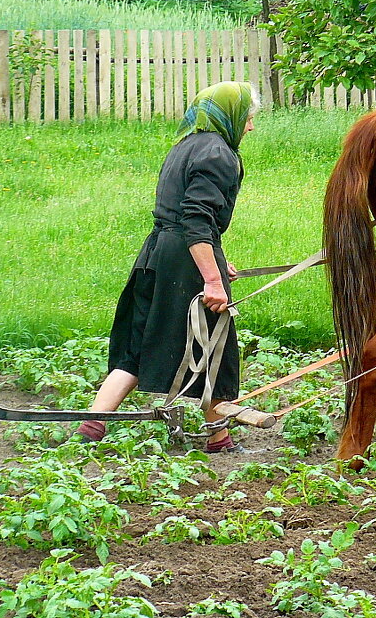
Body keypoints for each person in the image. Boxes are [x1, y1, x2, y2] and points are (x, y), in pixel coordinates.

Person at [76, 81, 260, 453]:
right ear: (232, 115)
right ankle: (219, 439)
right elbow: (195, 219)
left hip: (157, 254)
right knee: (214, 345)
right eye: (249, 118)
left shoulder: (184, 146)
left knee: (138, 343)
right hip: (182, 261)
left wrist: (220, 262)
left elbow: (185, 218)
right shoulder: (219, 153)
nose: (251, 127)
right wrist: (212, 277)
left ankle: (89, 429)